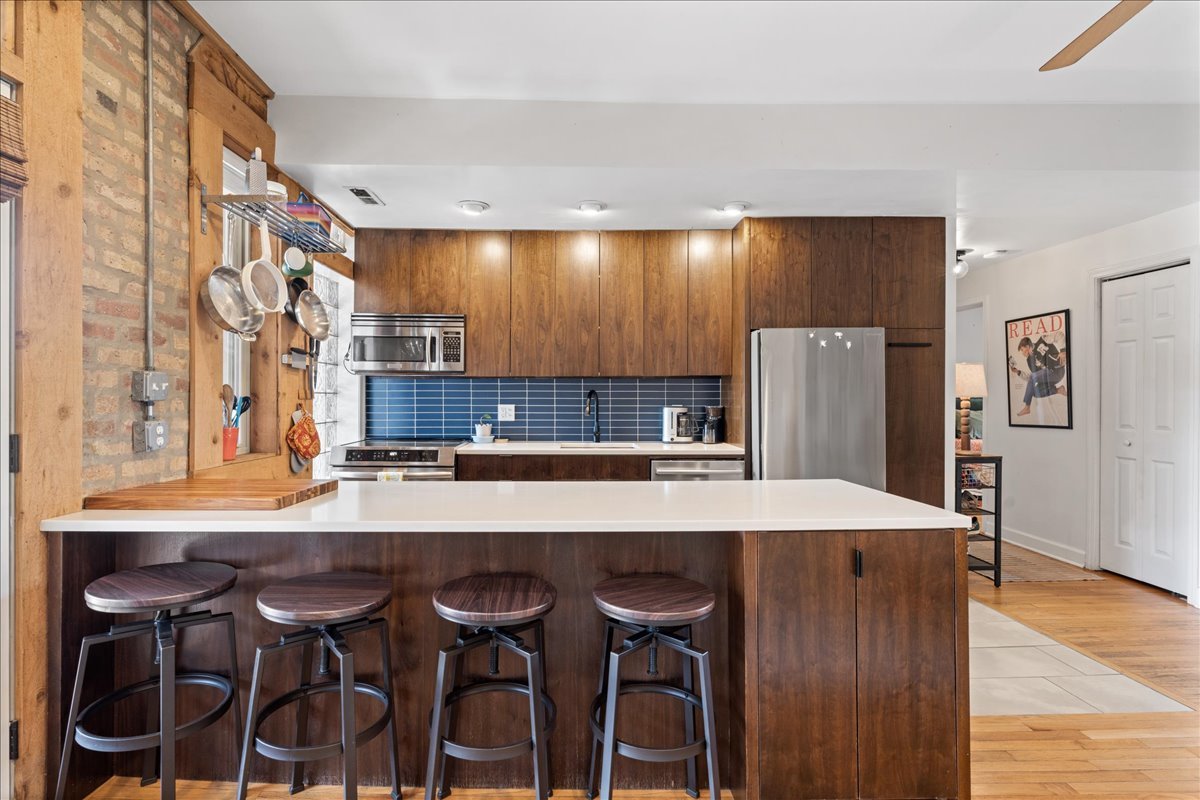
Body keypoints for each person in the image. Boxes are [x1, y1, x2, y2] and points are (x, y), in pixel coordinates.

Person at [1011, 336, 1067, 416]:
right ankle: (1058, 390)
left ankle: (1027, 407)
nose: (1023, 354)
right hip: (1049, 377)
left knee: (1033, 378)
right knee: (1034, 392)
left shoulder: (1042, 340)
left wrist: (1062, 351)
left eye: (1023, 350)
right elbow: (1033, 378)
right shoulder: (1029, 360)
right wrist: (1018, 372)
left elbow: (1060, 335)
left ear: (1027, 346)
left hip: (1057, 370)